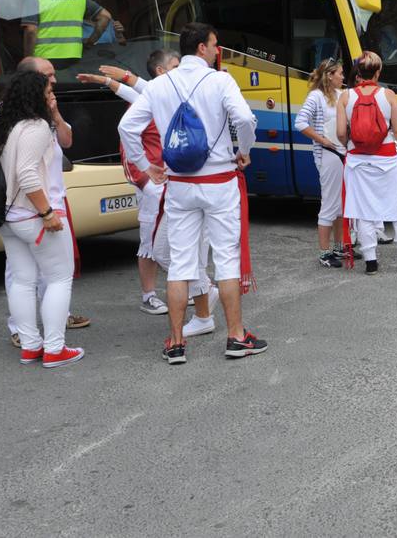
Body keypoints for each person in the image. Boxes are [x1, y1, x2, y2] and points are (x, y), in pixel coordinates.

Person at [119, 22, 264, 364]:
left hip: (179, 185)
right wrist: (244, 149)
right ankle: (236, 336)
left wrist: (145, 164)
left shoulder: (159, 85)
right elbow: (244, 118)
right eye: (215, 45)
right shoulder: (219, 80)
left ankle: (176, 342)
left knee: (182, 264)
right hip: (219, 182)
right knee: (225, 259)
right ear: (202, 48)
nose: (217, 51)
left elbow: (127, 127)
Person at [78, 51, 219, 322]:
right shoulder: (154, 99)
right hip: (155, 185)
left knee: (189, 242)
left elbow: (134, 90)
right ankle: (159, 293)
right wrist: (145, 178)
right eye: (175, 66)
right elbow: (132, 111)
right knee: (154, 245)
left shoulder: (173, 97)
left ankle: (196, 290)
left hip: (174, 184)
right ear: (160, 71)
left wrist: (113, 81)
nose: (183, 71)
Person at [0, 57, 91, 345]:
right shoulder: (32, 124)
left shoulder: (12, 120)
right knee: (58, 278)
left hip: (10, 215)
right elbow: (27, 174)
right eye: (47, 80)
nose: (53, 84)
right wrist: (47, 211)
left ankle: (30, 344)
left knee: (25, 279)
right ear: (32, 86)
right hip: (38, 211)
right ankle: (53, 347)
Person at [335, 51, 397, 274]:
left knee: (363, 211)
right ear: (378, 72)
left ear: (358, 72)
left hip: (357, 160)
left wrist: (350, 146)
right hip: (387, 159)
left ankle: (371, 261)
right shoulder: (389, 95)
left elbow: (341, 133)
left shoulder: (345, 97)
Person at [294, 59, 348, 268]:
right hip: (328, 154)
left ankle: (339, 247)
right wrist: (322, 140)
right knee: (329, 204)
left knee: (341, 204)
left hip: (341, 153)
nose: (343, 77)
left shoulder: (340, 95)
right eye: (340, 73)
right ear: (330, 75)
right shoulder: (316, 96)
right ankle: (324, 252)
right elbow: (300, 122)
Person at [22, 0, 112, 61]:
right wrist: (91, 42)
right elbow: (106, 16)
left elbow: (31, 31)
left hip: (45, 57)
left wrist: (28, 58)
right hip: (74, 56)